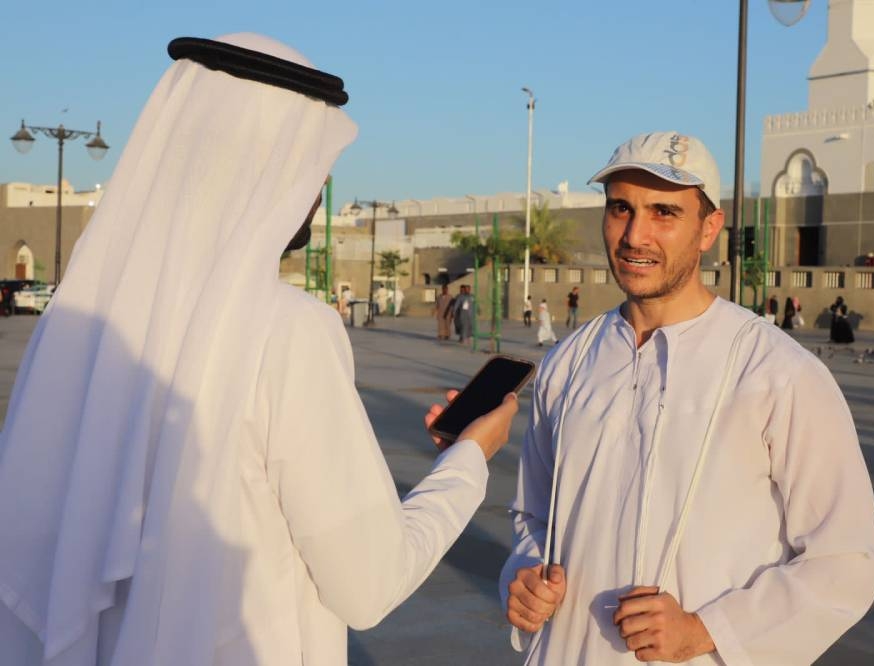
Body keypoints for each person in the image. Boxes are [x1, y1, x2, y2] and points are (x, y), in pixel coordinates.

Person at [0, 34, 520, 666]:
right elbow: (369, 584)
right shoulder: (287, 329)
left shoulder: (78, 325)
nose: (321, 184)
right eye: (313, 163)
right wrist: (469, 459)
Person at [499, 131, 874, 665]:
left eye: (664, 213)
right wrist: (523, 577)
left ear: (708, 229)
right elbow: (534, 516)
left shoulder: (777, 372)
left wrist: (709, 629)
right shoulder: (568, 362)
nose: (636, 235)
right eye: (620, 209)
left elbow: (848, 558)